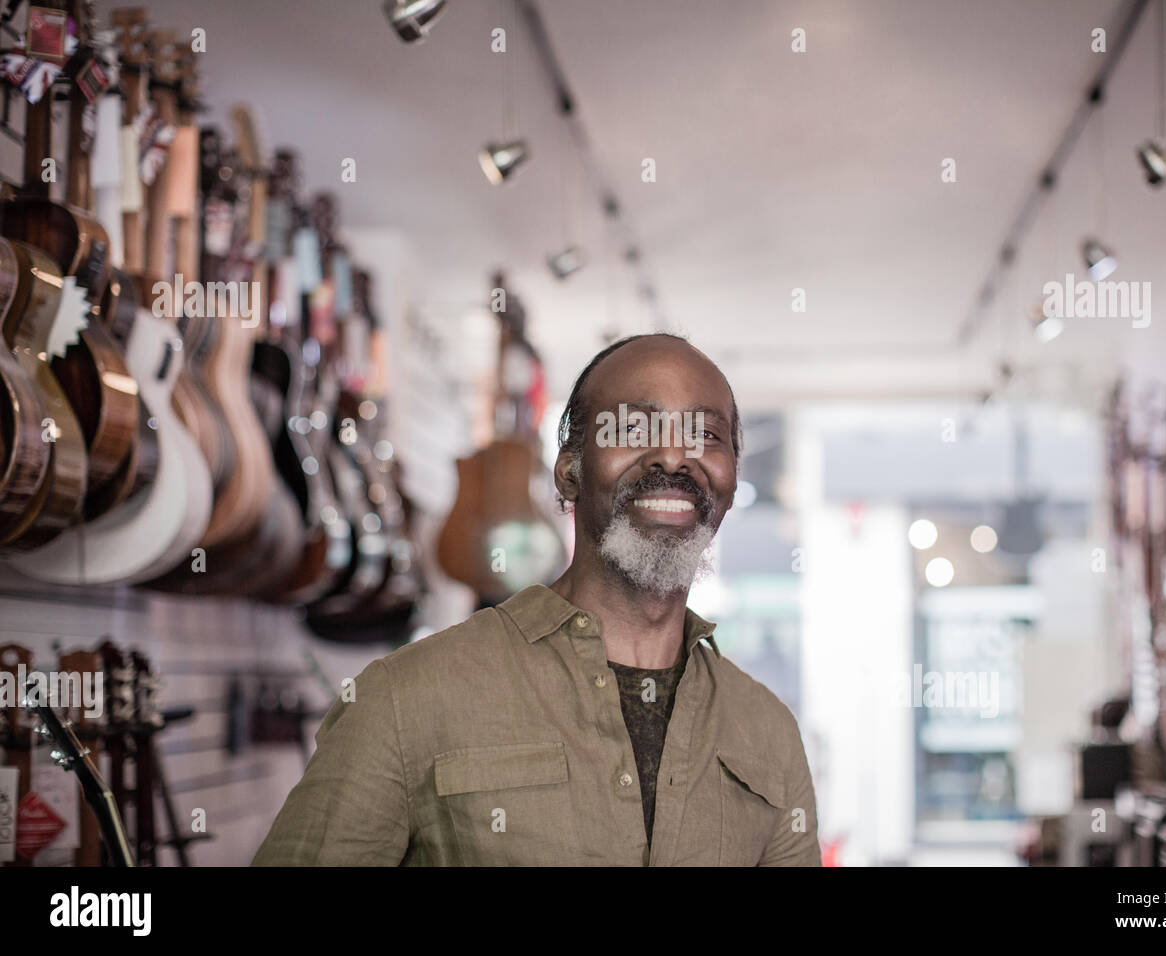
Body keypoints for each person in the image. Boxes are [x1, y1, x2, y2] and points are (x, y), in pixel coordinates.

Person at [252, 332, 821, 866]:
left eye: (704, 435)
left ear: (731, 475)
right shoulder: (406, 698)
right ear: (570, 472)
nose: (673, 457)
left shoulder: (767, 732)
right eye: (632, 429)